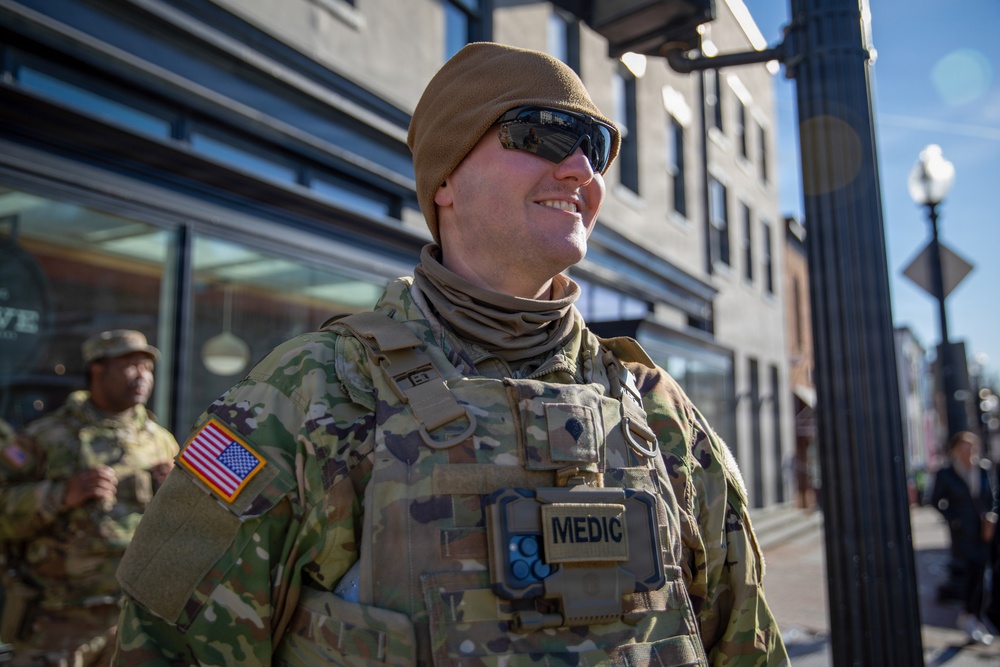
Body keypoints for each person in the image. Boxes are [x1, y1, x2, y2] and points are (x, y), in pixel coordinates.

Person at [113, 42, 788, 666]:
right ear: (446, 178)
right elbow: (165, 644)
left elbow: (746, 642)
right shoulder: (311, 391)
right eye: (542, 132)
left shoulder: (658, 411)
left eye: (595, 144)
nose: (580, 167)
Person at [0, 329, 179, 666]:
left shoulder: (162, 441)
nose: (143, 375)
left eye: (147, 367)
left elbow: (186, 527)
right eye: (130, 365)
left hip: (134, 619)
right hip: (58, 621)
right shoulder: (47, 436)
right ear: (98, 369)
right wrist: (62, 494)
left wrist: (176, 495)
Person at [931, 430, 999, 645]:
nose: (968, 451)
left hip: (984, 529)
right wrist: (953, 520)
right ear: (955, 449)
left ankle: (974, 616)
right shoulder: (947, 473)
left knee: (983, 572)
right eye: (963, 447)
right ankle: (971, 616)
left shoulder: (983, 469)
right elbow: (935, 500)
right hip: (963, 533)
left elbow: (993, 497)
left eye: (971, 446)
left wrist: (992, 516)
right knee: (971, 572)